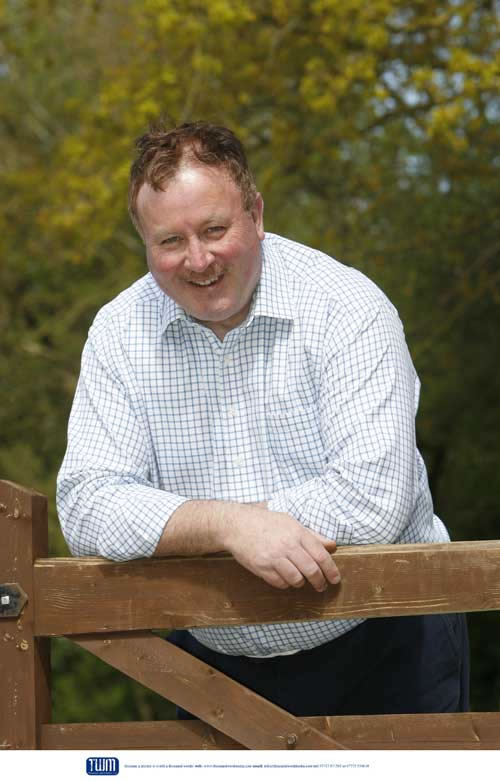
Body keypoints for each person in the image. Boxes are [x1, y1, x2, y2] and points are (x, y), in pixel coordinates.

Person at [57, 120, 469, 717]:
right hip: (210, 670)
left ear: (256, 213)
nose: (198, 259)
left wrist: (204, 529)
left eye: (215, 229)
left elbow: (376, 498)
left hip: (388, 640)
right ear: (144, 241)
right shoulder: (118, 333)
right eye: (170, 241)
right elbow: (89, 505)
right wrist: (229, 526)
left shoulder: (346, 306)